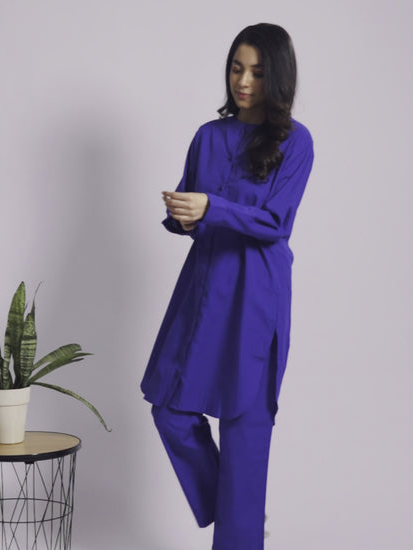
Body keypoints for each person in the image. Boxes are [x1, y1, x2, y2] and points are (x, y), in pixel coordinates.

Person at [140, 23, 314, 549]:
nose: (243, 81)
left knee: (244, 428)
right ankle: (241, 516)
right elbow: (192, 210)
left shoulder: (296, 141)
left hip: (256, 292)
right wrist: (184, 216)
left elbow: (275, 222)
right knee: (170, 409)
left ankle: (240, 527)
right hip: (203, 287)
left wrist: (212, 208)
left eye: (257, 73)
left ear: (277, 77)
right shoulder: (208, 136)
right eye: (237, 69)